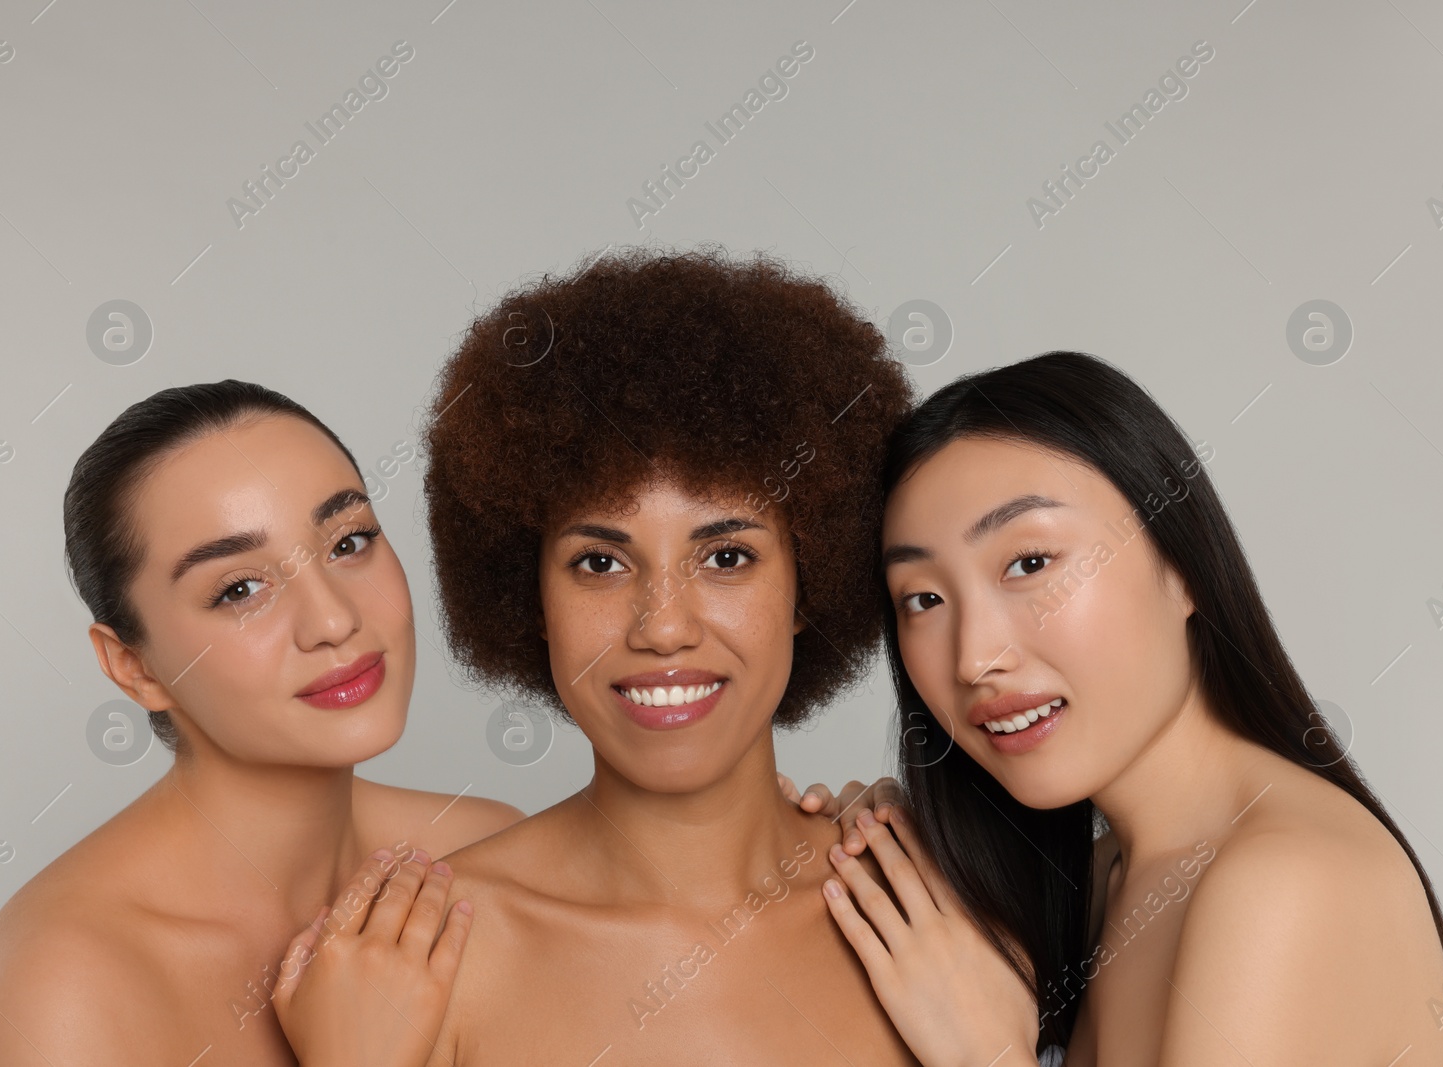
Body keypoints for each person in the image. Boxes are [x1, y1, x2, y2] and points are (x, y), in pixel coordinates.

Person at [275, 245, 981, 1065]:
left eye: (725, 557)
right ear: (528, 596)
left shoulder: (934, 911)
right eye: (600, 563)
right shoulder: (421, 957)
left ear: (810, 581)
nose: (663, 627)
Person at [809, 351, 1443, 1065]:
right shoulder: (1112, 875)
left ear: (1184, 565)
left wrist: (990, 1054)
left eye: (1031, 563)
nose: (974, 657)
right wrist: (899, 857)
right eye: (924, 598)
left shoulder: (1284, 882)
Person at [0, 381, 523, 1065]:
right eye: (240, 589)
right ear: (134, 666)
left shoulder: (482, 860)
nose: (334, 619)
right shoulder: (59, 992)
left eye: (348, 541)